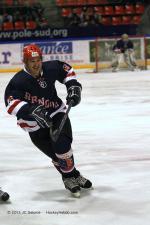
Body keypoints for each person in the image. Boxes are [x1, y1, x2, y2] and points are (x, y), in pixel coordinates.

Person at [4, 44, 92, 198]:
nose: (36, 64)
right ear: (25, 62)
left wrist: (73, 86)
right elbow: (11, 104)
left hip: (56, 113)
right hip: (33, 124)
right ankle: (73, 175)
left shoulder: (50, 68)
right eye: (32, 61)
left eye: (38, 60)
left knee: (62, 147)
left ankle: (68, 178)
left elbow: (66, 70)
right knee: (56, 156)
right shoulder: (18, 81)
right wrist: (31, 111)